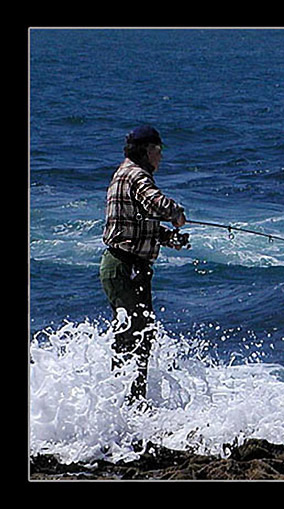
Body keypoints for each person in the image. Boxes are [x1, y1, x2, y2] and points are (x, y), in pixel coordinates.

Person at [99, 125, 186, 406]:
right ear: (146, 151)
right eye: (158, 151)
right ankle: (129, 404)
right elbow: (157, 204)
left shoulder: (123, 174)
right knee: (136, 336)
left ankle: (123, 402)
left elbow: (135, 223)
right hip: (126, 267)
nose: (160, 157)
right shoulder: (137, 175)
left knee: (133, 335)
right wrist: (176, 213)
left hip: (120, 266)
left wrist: (167, 238)